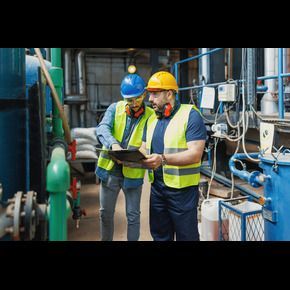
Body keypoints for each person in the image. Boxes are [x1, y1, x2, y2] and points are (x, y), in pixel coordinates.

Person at [142, 71, 207, 241]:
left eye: (155, 94)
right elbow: (143, 148)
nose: (150, 99)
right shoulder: (151, 119)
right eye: (150, 94)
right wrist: (128, 157)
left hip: (182, 192)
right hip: (157, 189)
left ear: (169, 93)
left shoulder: (190, 115)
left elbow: (195, 154)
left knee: (187, 237)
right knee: (160, 235)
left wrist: (162, 159)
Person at [95, 73, 154, 241]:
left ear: (143, 94)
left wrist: (143, 150)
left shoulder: (150, 115)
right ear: (124, 98)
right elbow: (102, 128)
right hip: (110, 172)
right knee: (105, 214)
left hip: (133, 173)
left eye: (137, 98)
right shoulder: (115, 108)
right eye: (130, 100)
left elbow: (148, 140)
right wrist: (113, 144)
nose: (134, 103)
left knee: (133, 216)